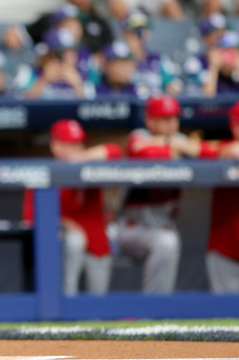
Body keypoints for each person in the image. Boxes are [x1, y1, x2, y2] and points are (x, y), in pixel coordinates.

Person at [117, 95, 216, 293]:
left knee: (167, 239)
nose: (172, 124)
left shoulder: (178, 140)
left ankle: (156, 310)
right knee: (166, 241)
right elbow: (142, 152)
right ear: (149, 120)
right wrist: (175, 147)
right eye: (164, 119)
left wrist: (175, 145)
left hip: (160, 226)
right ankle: (155, 309)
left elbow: (211, 154)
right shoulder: (138, 135)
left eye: (174, 118)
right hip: (125, 228)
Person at [23, 119, 122, 295]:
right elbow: (30, 219)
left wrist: (79, 158)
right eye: (71, 144)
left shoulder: (92, 169)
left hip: (97, 242)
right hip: (63, 244)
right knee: (74, 241)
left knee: (97, 303)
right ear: (55, 146)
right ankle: (67, 309)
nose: (77, 149)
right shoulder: (43, 172)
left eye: (79, 144)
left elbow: (114, 152)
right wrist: (63, 223)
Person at [3, 0, 114, 55]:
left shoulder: (100, 22)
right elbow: (21, 35)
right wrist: (15, 33)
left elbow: (111, 51)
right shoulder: (51, 19)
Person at [206, 101, 239, 293]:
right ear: (233, 125)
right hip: (224, 249)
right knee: (226, 315)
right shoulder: (223, 148)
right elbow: (199, 150)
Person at [119, 11, 183, 97]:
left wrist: (171, 88)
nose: (140, 37)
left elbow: (174, 86)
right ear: (124, 34)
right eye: (135, 32)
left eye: (143, 32)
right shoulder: (117, 59)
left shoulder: (158, 59)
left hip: (155, 106)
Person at [18, 27, 94, 100]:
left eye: (72, 51)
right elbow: (21, 107)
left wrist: (77, 85)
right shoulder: (30, 74)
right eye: (61, 53)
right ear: (48, 54)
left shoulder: (85, 74)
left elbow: (92, 108)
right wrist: (43, 80)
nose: (69, 57)